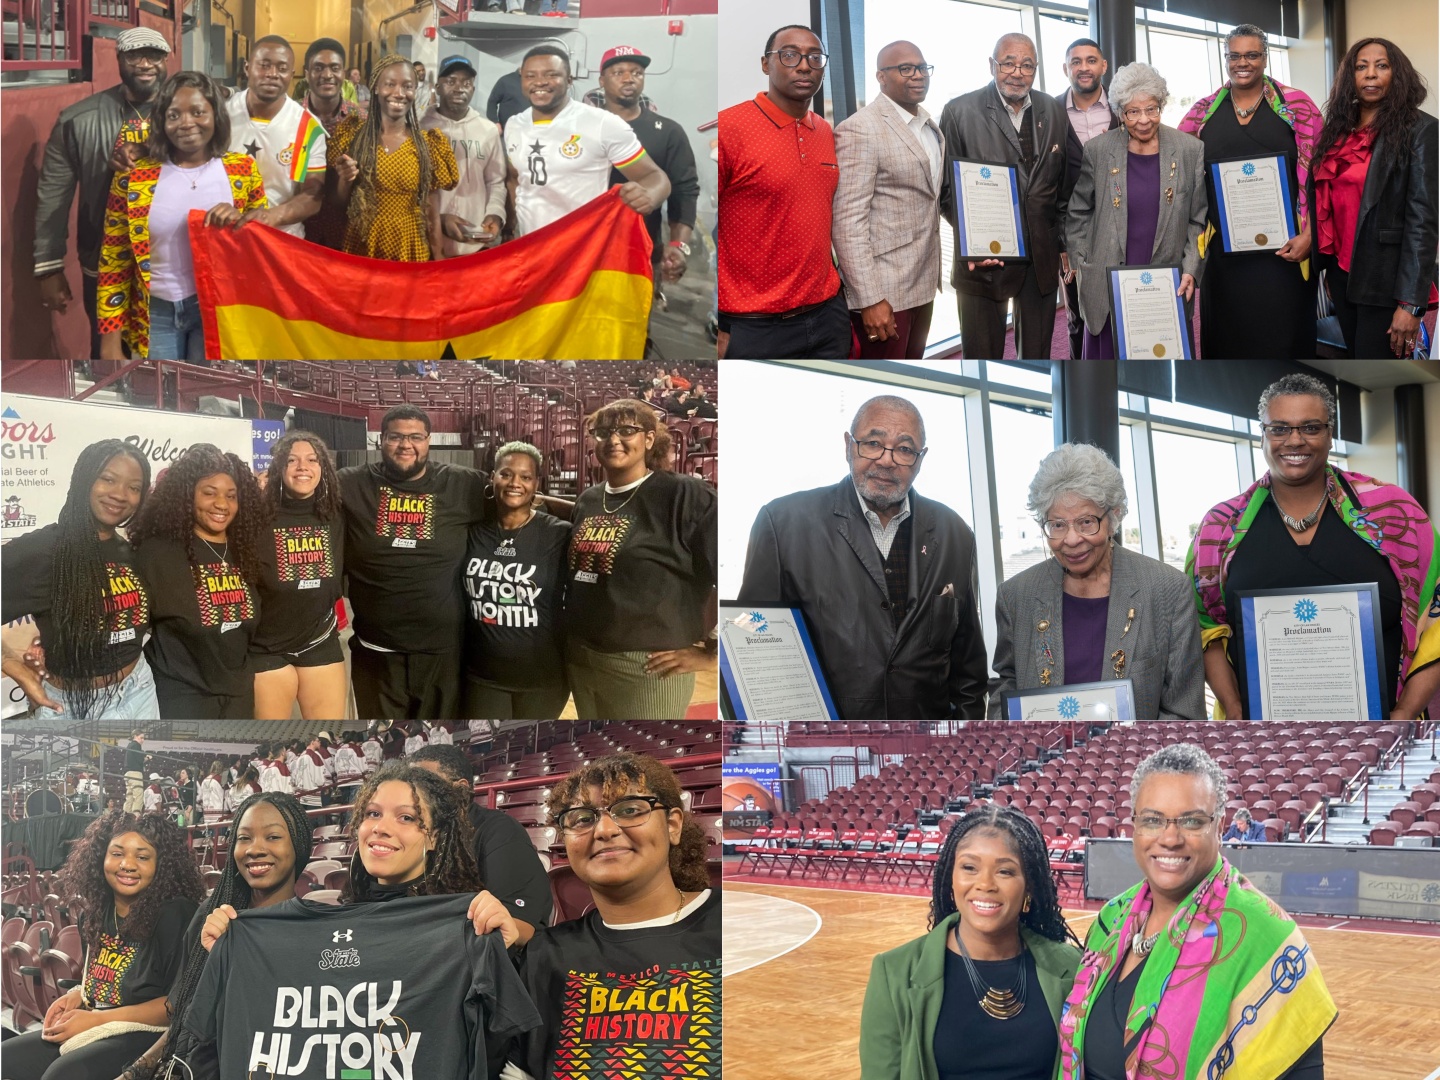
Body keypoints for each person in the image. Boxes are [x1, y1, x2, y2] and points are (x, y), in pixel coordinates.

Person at [1058, 744, 1335, 1080]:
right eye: (1152, 820)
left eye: (1191, 821)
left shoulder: (1266, 936)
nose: (1170, 838)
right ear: (1134, 827)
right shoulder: (1110, 921)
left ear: (1219, 826)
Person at [1187, 373, 1440, 719]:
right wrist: (1233, 709)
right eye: (1279, 428)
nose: (1294, 441)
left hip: (1385, 731)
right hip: (1262, 741)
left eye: (1310, 427)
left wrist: (1404, 715)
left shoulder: (1395, 515)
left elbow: (1436, 626)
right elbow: (1205, 630)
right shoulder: (1219, 529)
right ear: (1262, 435)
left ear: (1330, 435)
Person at [738, 395, 988, 719]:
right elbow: (751, 641)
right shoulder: (782, 523)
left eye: (904, 449)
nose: (886, 460)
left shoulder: (955, 533)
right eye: (872, 443)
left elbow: (968, 668)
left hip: (927, 742)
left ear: (920, 458)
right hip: (826, 737)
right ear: (848, 447)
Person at [475, 752, 720, 1080]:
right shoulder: (544, 954)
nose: (604, 830)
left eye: (630, 810)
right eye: (582, 818)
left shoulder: (748, 923)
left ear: (673, 825)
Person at [859, 807, 1083, 1080]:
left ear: (1029, 888)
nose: (985, 884)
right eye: (969, 867)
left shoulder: (1072, 968)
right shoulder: (894, 972)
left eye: (1005, 871)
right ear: (950, 878)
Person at [992, 443, 1206, 719]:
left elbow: (1184, 710)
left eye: (1086, 522)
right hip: (1042, 759)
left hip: (1136, 759)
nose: (1071, 539)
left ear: (1113, 517)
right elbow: (1006, 686)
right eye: (1057, 524)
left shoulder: (1167, 590)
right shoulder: (1016, 596)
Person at [115, 792, 311, 1080]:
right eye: (244, 838)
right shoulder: (212, 916)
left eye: (273, 837)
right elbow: (182, 1022)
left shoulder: (313, 931)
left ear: (299, 844)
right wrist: (134, 1073)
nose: (254, 849)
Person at [4, 810, 203, 1080]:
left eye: (142, 857)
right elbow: (99, 983)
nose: (128, 864)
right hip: (99, 1021)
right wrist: (76, 995)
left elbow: (176, 1005)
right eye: (118, 853)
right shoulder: (95, 915)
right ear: (101, 858)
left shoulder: (175, 914)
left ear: (161, 865)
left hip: (147, 1034)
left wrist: (97, 1019)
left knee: (64, 1074)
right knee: (7, 1059)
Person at [96, 71, 268, 360]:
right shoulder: (134, 177)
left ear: (216, 115)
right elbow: (114, 260)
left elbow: (262, 244)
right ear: (162, 122)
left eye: (198, 112)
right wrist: (109, 344)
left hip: (217, 309)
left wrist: (240, 221)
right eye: (174, 115)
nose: (186, 123)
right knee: (160, 395)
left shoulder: (243, 170)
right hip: (156, 314)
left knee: (204, 393)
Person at [565, 401, 717, 719]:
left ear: (649, 439)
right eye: (603, 432)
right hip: (583, 660)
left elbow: (739, 571)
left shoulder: (685, 495)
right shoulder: (589, 499)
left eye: (626, 430)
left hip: (648, 670)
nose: (613, 439)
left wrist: (717, 655)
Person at [338, 405, 491, 720]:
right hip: (375, 650)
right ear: (380, 440)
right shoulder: (350, 483)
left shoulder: (465, 484)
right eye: (395, 437)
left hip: (441, 652)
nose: (405, 445)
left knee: (436, 740)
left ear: (429, 440)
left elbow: (522, 501)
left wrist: (580, 512)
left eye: (415, 437)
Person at [1178, 25, 1321, 360]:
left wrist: (1311, 235)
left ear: (1265, 58)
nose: (1243, 62)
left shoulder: (1297, 108)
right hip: (1225, 257)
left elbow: (1322, 176)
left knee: (1285, 342)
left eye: (1252, 55)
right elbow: (1178, 171)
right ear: (1226, 59)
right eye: (1235, 55)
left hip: (1287, 254)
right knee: (1227, 342)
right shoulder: (1203, 112)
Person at [35, 27, 170, 357]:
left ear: (166, 60)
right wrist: (49, 267)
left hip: (173, 262)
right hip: (105, 260)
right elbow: (53, 195)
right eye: (134, 55)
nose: (145, 64)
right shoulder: (78, 119)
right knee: (109, 352)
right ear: (119, 59)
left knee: (171, 351)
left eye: (153, 55)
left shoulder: (192, 114)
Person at [717, 25, 849, 360]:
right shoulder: (729, 129)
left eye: (815, 57)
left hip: (828, 317)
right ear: (766, 64)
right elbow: (704, 225)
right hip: (754, 326)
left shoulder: (824, 132)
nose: (804, 65)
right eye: (790, 55)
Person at [1, 440, 154, 720]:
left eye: (134, 487)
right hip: (67, 707)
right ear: (84, 479)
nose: (120, 495)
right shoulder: (43, 551)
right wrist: (13, 666)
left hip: (140, 691)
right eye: (108, 479)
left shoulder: (130, 551)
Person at [1064, 62, 1206, 359]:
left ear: (1161, 105)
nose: (1143, 120)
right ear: (1120, 112)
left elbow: (1197, 219)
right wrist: (1080, 262)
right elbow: (1079, 211)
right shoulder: (1100, 150)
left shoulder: (1189, 149)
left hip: (1164, 284)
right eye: (1133, 112)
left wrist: (1191, 268)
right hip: (1106, 280)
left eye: (1151, 109)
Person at [938, 33, 1068, 359]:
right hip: (983, 261)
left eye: (1027, 65)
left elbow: (1063, 186)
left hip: (1040, 258)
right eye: (1008, 63)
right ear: (992, 64)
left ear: (1036, 69)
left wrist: (1063, 245)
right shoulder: (959, 111)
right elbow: (945, 190)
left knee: (1037, 358)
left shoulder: (1052, 109)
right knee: (982, 357)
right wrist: (976, 240)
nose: (1017, 72)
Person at [1312, 37, 1438, 358]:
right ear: (1349, 78)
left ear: (1398, 75)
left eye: (1382, 66)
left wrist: (1410, 303)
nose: (1370, 74)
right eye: (1361, 67)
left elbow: (1423, 223)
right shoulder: (1337, 132)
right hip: (1341, 276)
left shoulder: (1421, 130)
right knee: (1354, 357)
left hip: (1386, 279)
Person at [129, 444, 264, 719]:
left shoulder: (245, 551)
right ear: (187, 496)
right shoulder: (157, 554)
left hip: (239, 694)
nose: (222, 505)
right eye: (209, 493)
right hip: (182, 697)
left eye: (231, 496)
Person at [833, 40, 944, 361]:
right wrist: (869, 299)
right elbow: (846, 223)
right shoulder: (860, 129)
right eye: (905, 69)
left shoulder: (929, 126)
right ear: (881, 77)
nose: (918, 75)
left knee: (913, 365)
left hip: (923, 283)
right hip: (884, 292)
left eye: (923, 68)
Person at [504, 45, 671, 237]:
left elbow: (656, 177)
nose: (540, 82)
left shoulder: (602, 123)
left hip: (583, 247)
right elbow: (516, 179)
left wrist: (649, 195)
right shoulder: (514, 124)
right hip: (530, 245)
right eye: (530, 76)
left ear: (569, 80)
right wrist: (509, 226)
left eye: (551, 75)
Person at [463, 442, 572, 719]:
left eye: (526, 477)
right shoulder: (473, 531)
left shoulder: (559, 534)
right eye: (506, 474)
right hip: (481, 677)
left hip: (542, 678)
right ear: (493, 477)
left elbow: (592, 513)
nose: (515, 483)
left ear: (537, 483)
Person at [409, 743, 554, 943]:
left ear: (460, 788)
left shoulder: (499, 830)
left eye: (425, 784)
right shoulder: (410, 835)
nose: (411, 794)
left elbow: (520, 926)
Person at [250, 430, 347, 720]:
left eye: (312, 460)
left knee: (330, 734)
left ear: (323, 468)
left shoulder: (336, 515)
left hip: (318, 641)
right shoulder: (255, 518)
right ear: (278, 468)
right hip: (265, 647)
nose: (303, 466)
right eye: (292, 460)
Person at [329, 54, 459, 261]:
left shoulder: (427, 145)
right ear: (376, 88)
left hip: (409, 245)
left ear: (415, 92)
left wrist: (439, 257)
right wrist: (345, 180)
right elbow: (337, 204)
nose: (399, 93)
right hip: (362, 243)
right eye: (390, 84)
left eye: (408, 86)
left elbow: (431, 211)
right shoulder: (354, 137)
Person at [596, 45, 700, 285]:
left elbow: (684, 191)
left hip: (641, 250)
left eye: (636, 72)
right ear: (601, 80)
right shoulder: (582, 127)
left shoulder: (668, 132)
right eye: (618, 72)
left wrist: (678, 244)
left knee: (635, 322)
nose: (628, 78)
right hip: (585, 249)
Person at [1055, 38, 1120, 359]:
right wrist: (1062, 245)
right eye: (1076, 61)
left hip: (1124, 230)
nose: (1084, 67)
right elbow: (1045, 185)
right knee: (1078, 318)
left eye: (1091, 60)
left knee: (1124, 310)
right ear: (1066, 68)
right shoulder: (1048, 113)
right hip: (1074, 236)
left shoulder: (1125, 111)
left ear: (1103, 66)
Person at [226, 36, 325, 237]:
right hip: (225, 235)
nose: (272, 74)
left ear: (292, 74)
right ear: (247, 67)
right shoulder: (221, 114)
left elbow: (313, 194)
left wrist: (270, 217)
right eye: (264, 65)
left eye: (282, 68)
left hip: (281, 239)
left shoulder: (308, 127)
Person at [421, 55, 507, 257]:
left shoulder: (487, 130)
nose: (459, 88)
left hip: (474, 242)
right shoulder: (420, 128)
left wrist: (495, 213)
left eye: (466, 82)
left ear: (473, 90)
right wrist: (437, 219)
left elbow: (495, 181)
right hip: (428, 241)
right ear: (438, 87)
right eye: (450, 81)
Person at [302, 37, 365, 136]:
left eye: (335, 68)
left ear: (343, 74)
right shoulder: (289, 116)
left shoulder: (361, 120)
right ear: (307, 75)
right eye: (318, 68)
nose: (327, 75)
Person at [197, 759, 226, 826]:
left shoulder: (205, 780)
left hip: (207, 811)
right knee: (218, 835)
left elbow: (200, 798)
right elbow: (226, 795)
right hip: (218, 811)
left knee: (208, 834)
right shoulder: (221, 779)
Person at [124, 731, 147, 812]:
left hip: (128, 774)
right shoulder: (136, 745)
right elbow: (140, 760)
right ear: (135, 736)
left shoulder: (129, 745)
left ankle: (125, 816)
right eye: (141, 738)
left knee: (129, 797)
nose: (142, 740)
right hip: (135, 774)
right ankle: (136, 816)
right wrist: (147, 758)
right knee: (138, 796)